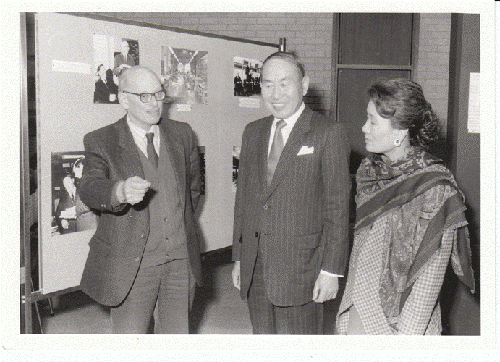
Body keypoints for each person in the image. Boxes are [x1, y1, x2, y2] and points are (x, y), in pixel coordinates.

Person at [336, 79, 475, 335]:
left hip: (402, 323)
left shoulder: (436, 189)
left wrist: (404, 342)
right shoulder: (369, 173)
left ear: (400, 134)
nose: (364, 127)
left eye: (373, 121)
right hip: (359, 309)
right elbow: (360, 256)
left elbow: (428, 283)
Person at [231, 51, 351, 334]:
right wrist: (239, 256)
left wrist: (331, 271)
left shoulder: (328, 132)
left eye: (285, 83)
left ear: (305, 86)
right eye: (268, 84)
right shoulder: (253, 132)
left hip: (304, 269)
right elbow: (244, 201)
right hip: (256, 267)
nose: (276, 93)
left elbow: (338, 208)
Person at [79, 65, 202, 334]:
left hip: (179, 262)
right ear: (124, 99)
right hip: (132, 264)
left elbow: (193, 190)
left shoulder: (182, 134)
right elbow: (89, 186)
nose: (155, 103)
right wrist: (119, 191)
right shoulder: (102, 140)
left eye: (158, 94)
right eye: (144, 96)